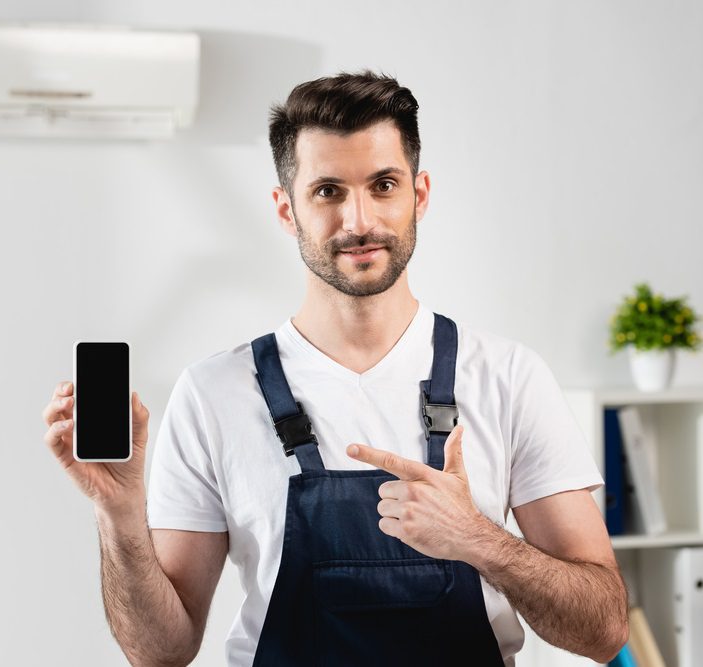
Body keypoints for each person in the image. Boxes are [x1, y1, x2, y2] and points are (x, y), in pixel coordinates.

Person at [43, 69, 629, 666]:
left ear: (418, 194)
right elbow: (159, 652)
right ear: (285, 209)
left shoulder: (508, 377)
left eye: (383, 185)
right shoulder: (213, 393)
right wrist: (117, 515)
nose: (358, 222)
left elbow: (604, 630)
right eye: (327, 191)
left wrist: (478, 540)